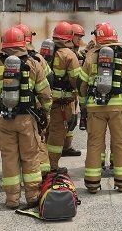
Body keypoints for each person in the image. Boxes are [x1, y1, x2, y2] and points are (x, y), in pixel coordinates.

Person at [0, 27, 53, 209]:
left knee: (9, 158)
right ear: (23, 43)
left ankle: (12, 199)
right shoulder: (34, 64)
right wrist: (46, 113)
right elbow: (45, 93)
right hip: (27, 119)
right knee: (30, 157)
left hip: (3, 119)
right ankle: (33, 196)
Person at [77, 22, 122, 193]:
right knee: (121, 143)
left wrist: (84, 104)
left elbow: (81, 84)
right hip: (118, 108)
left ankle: (92, 183)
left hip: (95, 108)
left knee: (94, 144)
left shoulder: (90, 57)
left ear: (98, 38)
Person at [18, 23, 53, 175]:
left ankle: (20, 171)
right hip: (35, 108)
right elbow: (48, 81)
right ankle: (43, 171)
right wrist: (46, 108)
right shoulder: (37, 59)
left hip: (11, 109)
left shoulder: (2, 60)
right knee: (39, 138)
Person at [46, 21, 82, 171]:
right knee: (57, 133)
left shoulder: (46, 52)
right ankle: (52, 166)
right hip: (62, 101)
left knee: (46, 131)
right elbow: (76, 80)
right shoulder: (68, 55)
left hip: (46, 99)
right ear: (69, 36)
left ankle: (42, 162)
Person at [62, 23, 87, 155]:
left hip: (74, 92)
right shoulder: (66, 52)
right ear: (70, 36)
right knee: (64, 120)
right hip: (66, 92)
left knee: (72, 120)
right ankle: (61, 147)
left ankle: (67, 146)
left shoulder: (76, 51)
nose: (80, 39)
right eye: (78, 36)